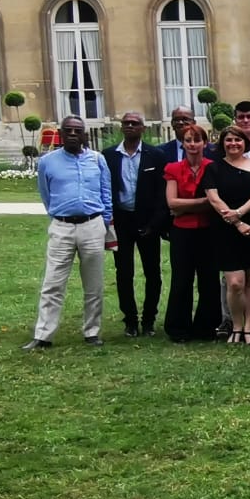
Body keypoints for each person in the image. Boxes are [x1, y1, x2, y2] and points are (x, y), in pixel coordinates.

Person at [23, 115, 113, 350]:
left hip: (92, 225)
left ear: (84, 134)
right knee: (52, 282)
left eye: (77, 130)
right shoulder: (47, 162)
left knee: (93, 284)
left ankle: (92, 331)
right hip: (62, 226)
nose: (73, 134)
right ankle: (43, 335)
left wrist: (104, 222)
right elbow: (46, 194)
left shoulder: (98, 160)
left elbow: (106, 194)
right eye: (68, 130)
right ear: (61, 134)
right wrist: (57, 215)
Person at [203, 125, 250, 344]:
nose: (233, 144)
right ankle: (236, 325)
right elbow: (214, 199)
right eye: (229, 140)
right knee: (234, 282)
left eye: (238, 140)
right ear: (222, 143)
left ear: (245, 143)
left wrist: (241, 213)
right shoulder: (213, 168)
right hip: (225, 228)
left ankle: (249, 327)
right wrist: (237, 222)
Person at [102, 111, 168, 337]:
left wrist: (155, 224)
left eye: (135, 123)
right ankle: (130, 320)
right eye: (126, 123)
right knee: (124, 273)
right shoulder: (109, 156)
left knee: (153, 273)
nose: (130, 126)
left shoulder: (155, 155)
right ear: (121, 127)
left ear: (143, 128)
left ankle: (149, 320)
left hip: (147, 222)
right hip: (121, 221)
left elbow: (162, 194)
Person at [161, 123, 222, 342]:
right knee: (181, 280)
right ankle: (178, 328)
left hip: (208, 231)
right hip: (182, 232)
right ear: (183, 143)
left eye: (197, 140)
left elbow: (216, 204)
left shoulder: (213, 167)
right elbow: (172, 203)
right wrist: (205, 202)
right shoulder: (173, 169)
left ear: (205, 143)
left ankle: (206, 327)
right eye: (188, 140)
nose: (193, 145)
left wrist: (186, 205)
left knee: (209, 280)